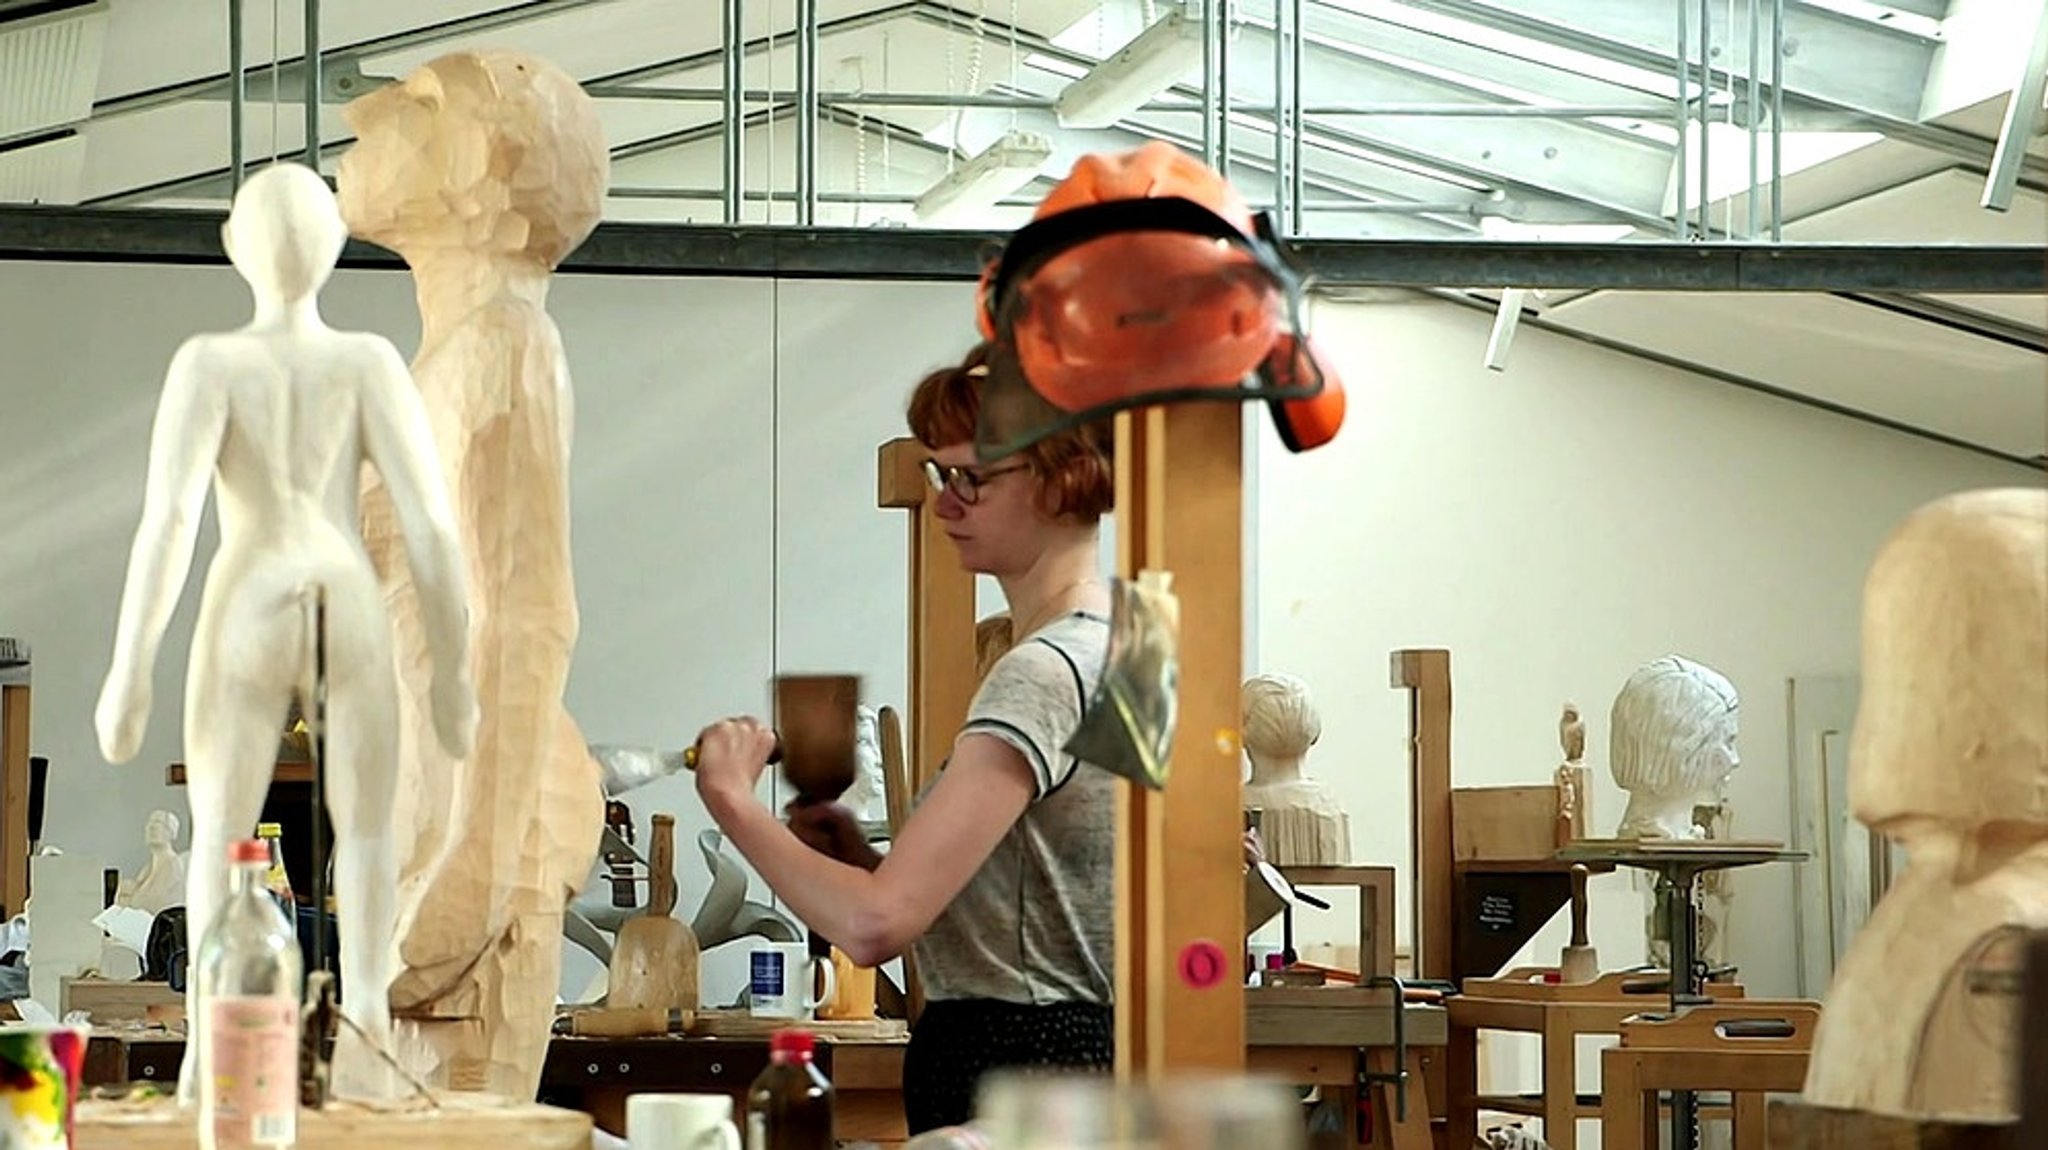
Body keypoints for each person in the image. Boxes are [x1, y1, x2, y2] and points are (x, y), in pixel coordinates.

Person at [690, 342, 1118, 1132]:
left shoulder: (1044, 673)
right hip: (1076, 1058)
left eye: (970, 479)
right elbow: (1059, 903)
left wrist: (729, 798)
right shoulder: (1125, 644)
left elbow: (873, 926)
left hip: (1014, 1070)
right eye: (938, 477)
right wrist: (860, 863)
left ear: (1065, 480)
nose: (944, 504)